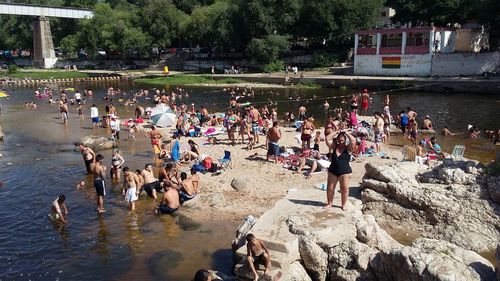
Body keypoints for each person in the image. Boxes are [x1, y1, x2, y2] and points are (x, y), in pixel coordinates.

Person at [325, 130, 357, 210]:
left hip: (345, 172)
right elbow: (327, 138)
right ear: (337, 140)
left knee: (344, 189)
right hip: (333, 171)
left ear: (345, 140)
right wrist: (337, 132)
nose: (341, 141)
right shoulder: (334, 146)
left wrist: (345, 133)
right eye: (339, 140)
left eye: (342, 140)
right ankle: (329, 203)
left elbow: (353, 140)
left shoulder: (348, 148)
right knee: (330, 188)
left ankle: (344, 204)